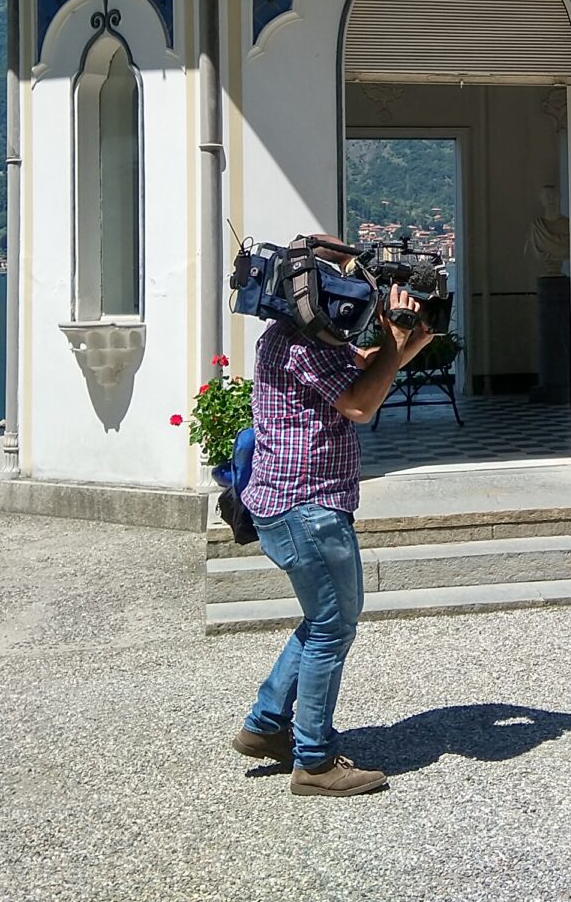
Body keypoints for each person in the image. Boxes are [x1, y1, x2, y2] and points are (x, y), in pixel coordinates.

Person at [231, 244, 433, 799]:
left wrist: (406, 341)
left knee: (322, 620)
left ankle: (265, 725)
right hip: (308, 506)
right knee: (332, 628)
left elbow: (363, 373)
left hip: (289, 501)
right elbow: (360, 406)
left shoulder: (291, 336)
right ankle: (315, 761)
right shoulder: (307, 345)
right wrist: (393, 339)